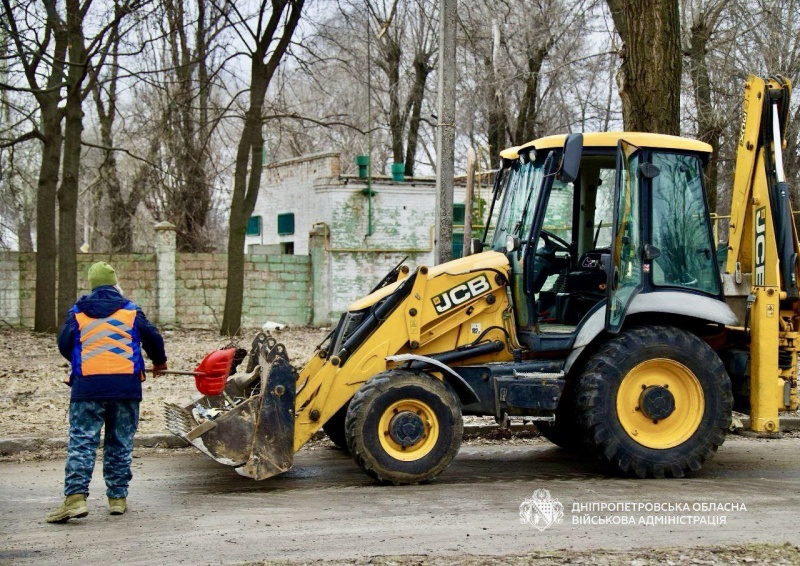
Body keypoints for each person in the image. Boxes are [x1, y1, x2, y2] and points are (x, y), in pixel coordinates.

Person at [46, 261, 168, 523]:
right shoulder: (131, 310)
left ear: (92, 285)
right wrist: (159, 362)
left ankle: (75, 499)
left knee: (82, 442)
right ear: (115, 284)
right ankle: (117, 499)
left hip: (88, 388)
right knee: (120, 442)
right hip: (125, 388)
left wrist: (82, 359)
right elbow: (153, 338)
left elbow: (64, 344)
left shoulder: (77, 312)